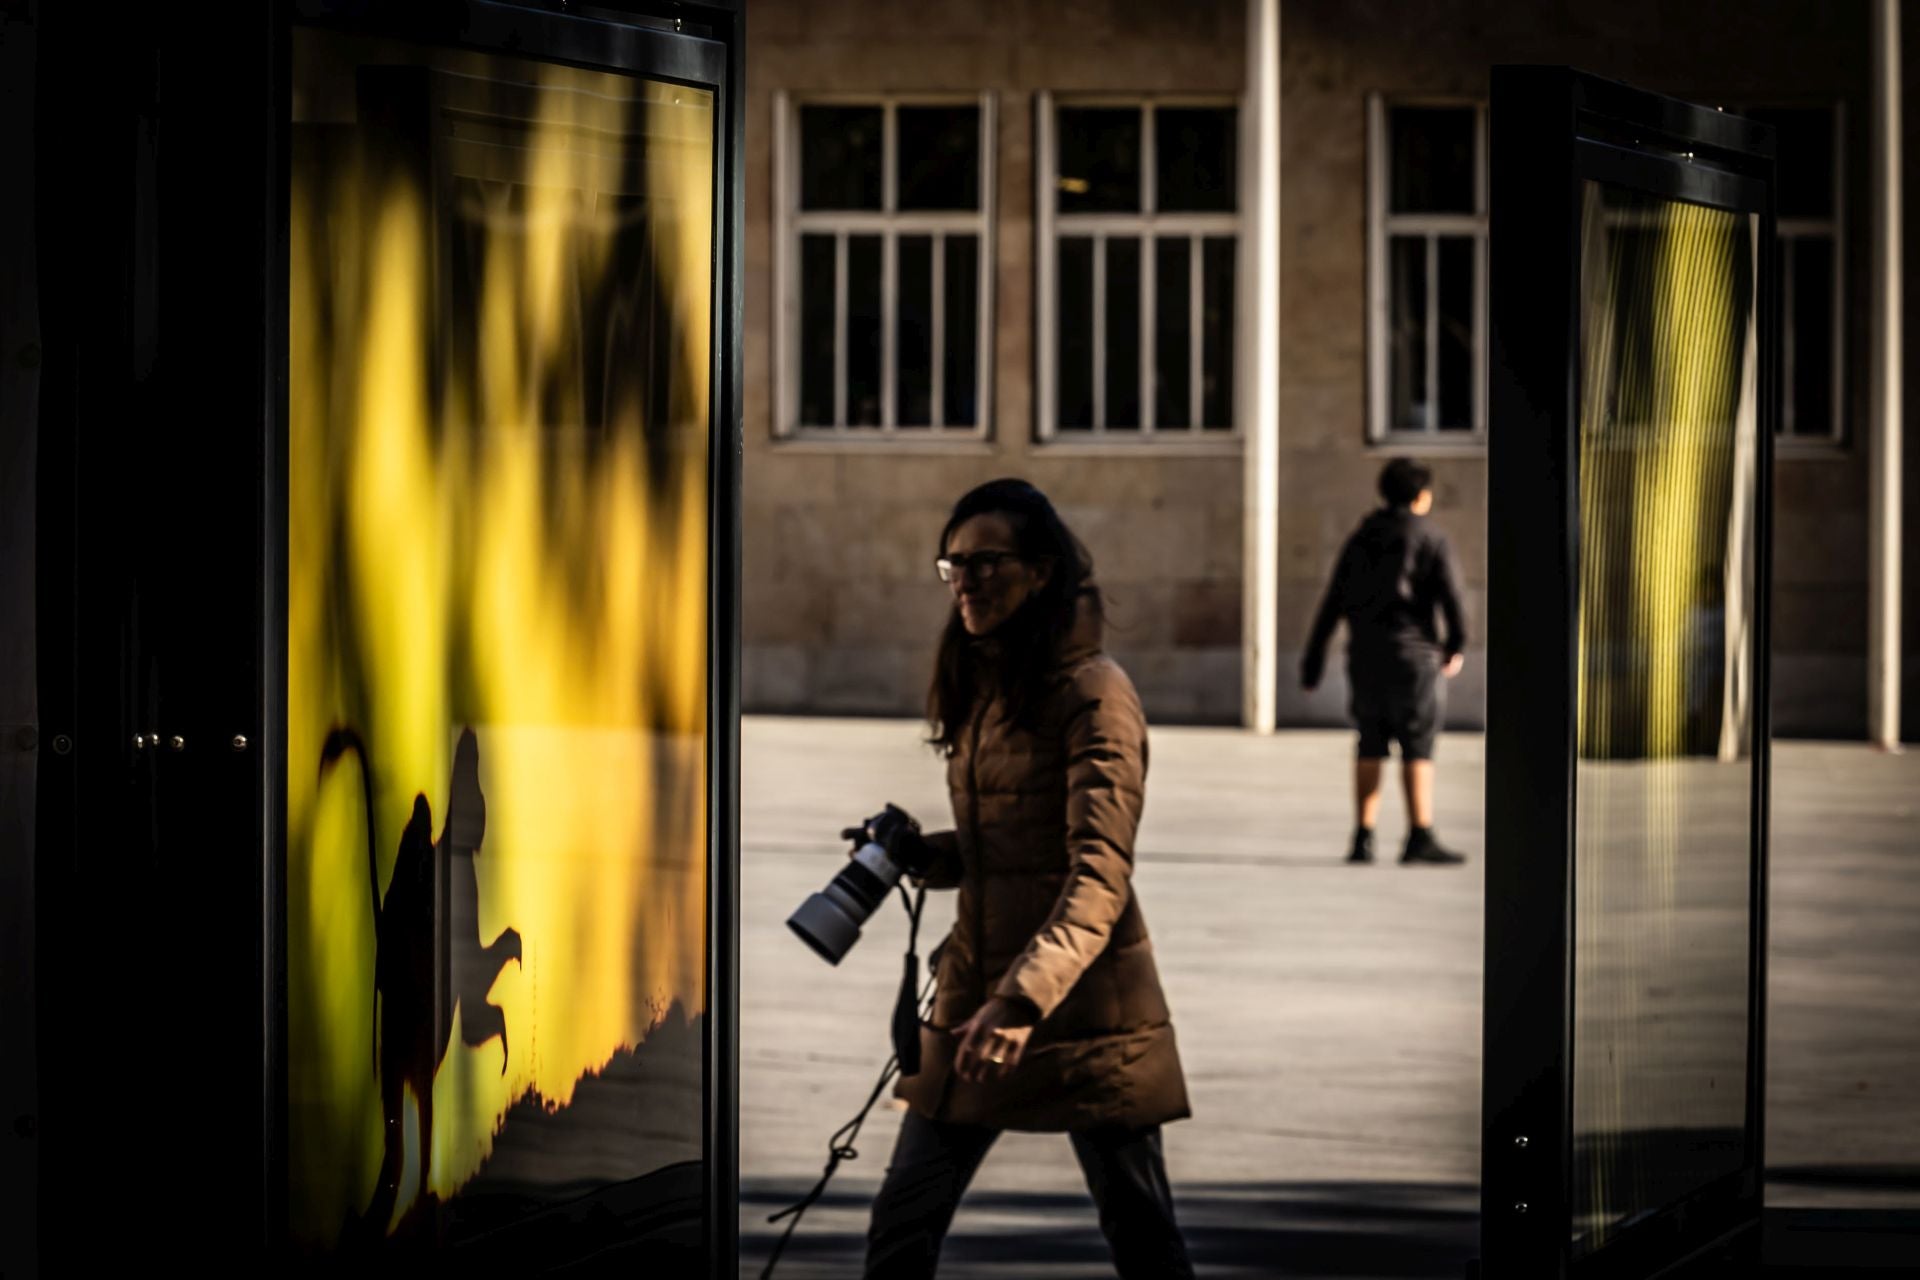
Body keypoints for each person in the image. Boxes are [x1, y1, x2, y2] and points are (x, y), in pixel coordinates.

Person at [858, 478, 1194, 1280]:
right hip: (978, 998)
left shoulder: (1094, 694)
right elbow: (1004, 843)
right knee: (901, 1226)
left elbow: (1097, 873)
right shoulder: (989, 686)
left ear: (1041, 572)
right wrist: (918, 853)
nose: (965, 582)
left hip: (1080, 1012)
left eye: (986, 563)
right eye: (953, 566)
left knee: (1142, 1235)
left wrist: (1020, 998)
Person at [1301, 458, 1469, 866]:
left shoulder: (1361, 538)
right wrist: (1455, 645)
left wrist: (1313, 659)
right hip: (1415, 659)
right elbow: (1453, 599)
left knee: (1369, 741)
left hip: (1365, 657)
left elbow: (1333, 600)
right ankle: (1419, 834)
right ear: (1421, 496)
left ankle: (1363, 836)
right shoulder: (1431, 538)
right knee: (1418, 745)